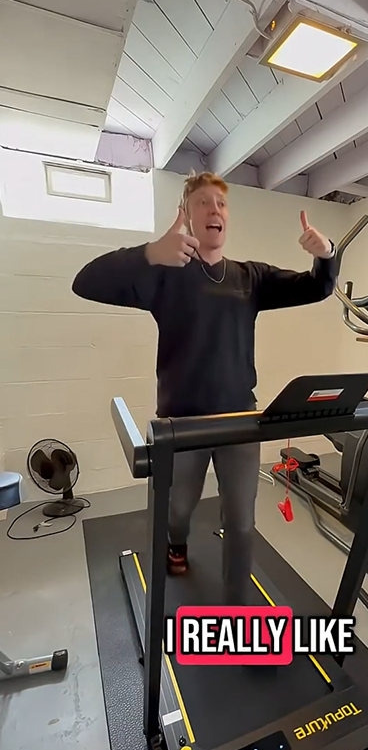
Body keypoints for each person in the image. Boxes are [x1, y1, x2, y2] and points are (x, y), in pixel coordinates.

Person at [72, 171, 336, 604]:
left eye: (222, 204)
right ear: (187, 217)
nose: (215, 210)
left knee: (242, 522)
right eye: (203, 203)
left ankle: (237, 607)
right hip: (183, 422)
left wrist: (325, 254)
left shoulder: (250, 277)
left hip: (240, 421)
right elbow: (85, 282)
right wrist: (150, 253)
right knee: (177, 510)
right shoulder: (164, 276)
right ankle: (177, 543)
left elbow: (318, 287)